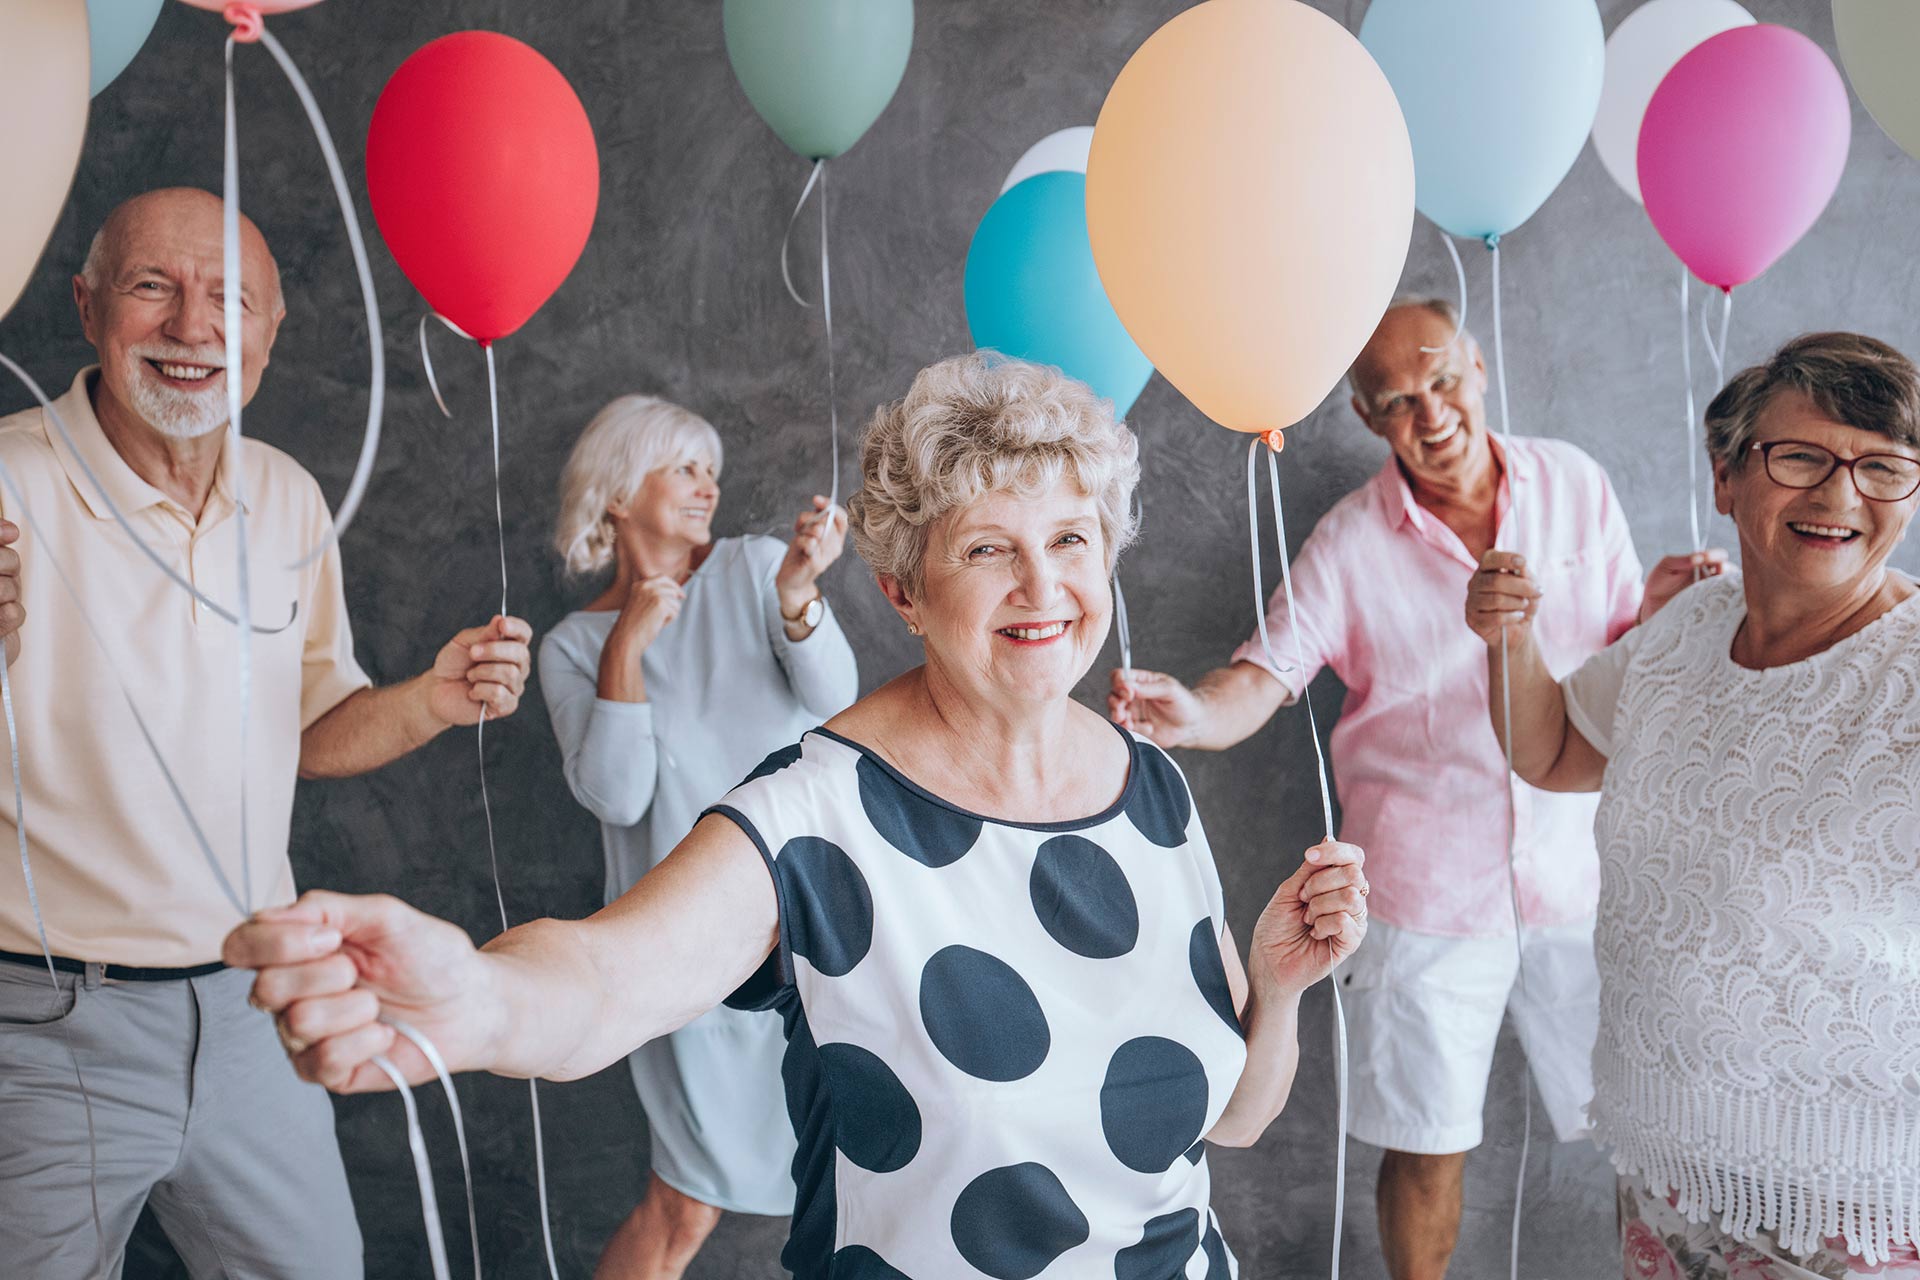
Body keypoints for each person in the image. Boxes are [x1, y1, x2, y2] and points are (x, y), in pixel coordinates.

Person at [227, 353, 1369, 1279]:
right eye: (987, 548)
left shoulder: (1149, 786)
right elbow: (608, 977)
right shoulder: (816, 816)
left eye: (1070, 539)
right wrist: (477, 996)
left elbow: (1233, 1121)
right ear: (903, 592)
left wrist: (1276, 988)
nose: (1042, 585)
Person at [1110, 298, 1717, 1280]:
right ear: (1364, 417)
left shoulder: (1575, 482)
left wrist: (1654, 608)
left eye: (1441, 381)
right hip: (1426, 893)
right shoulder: (1349, 542)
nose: (1430, 413)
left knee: (1651, 1134)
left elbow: (1612, 649)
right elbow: (1265, 672)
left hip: (1585, 872)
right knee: (1428, 1146)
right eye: (1398, 400)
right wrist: (1194, 711)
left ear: (1477, 366)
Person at [0, 188, 532, 1278]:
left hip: (256, 1007)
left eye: (229, 300)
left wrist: (430, 695)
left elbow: (313, 730)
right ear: (88, 305)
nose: (192, 328)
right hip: (44, 1022)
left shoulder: (285, 497)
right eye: (154, 287)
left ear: (269, 335)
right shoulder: (6, 482)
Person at [1466, 332, 1920, 1280]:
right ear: (1726, 478)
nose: (1841, 496)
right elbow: (1550, 750)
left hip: (1845, 1217)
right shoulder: (1685, 631)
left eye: (1883, 468)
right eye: (1800, 457)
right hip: (1664, 1172)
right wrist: (1508, 639)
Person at [539, 394, 858, 1279]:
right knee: (683, 1204)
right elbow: (617, 792)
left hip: (816, 929)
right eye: (683, 467)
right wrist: (626, 648)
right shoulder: (571, 645)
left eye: (711, 471)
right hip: (679, 949)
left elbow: (837, 702)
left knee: (866, 1180)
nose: (706, 487)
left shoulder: (759, 567)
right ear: (615, 491)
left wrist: (799, 594)